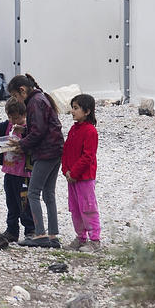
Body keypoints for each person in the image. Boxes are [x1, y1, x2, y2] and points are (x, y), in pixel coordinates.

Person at [7, 73, 64, 248]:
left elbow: (38, 132)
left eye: (16, 96)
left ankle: (40, 234)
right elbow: (40, 128)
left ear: (22, 90)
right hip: (56, 150)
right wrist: (23, 131)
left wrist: (21, 144)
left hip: (46, 153)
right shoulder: (41, 97)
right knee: (49, 193)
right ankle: (53, 235)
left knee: (33, 193)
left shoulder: (34, 102)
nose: (17, 100)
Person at [0, 98, 35, 251]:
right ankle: (12, 230)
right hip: (9, 171)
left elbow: (33, 143)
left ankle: (30, 230)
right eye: (10, 117)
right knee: (11, 201)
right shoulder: (6, 126)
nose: (13, 121)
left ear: (24, 115)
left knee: (25, 202)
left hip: (24, 173)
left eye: (17, 117)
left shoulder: (29, 129)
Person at [62, 93, 102, 251]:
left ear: (87, 111)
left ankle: (95, 240)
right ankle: (81, 237)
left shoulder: (90, 131)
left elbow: (88, 156)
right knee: (75, 208)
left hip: (84, 178)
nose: (72, 111)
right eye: (73, 107)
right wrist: (65, 170)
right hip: (72, 177)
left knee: (88, 207)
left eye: (76, 108)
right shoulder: (73, 129)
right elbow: (66, 151)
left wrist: (75, 173)